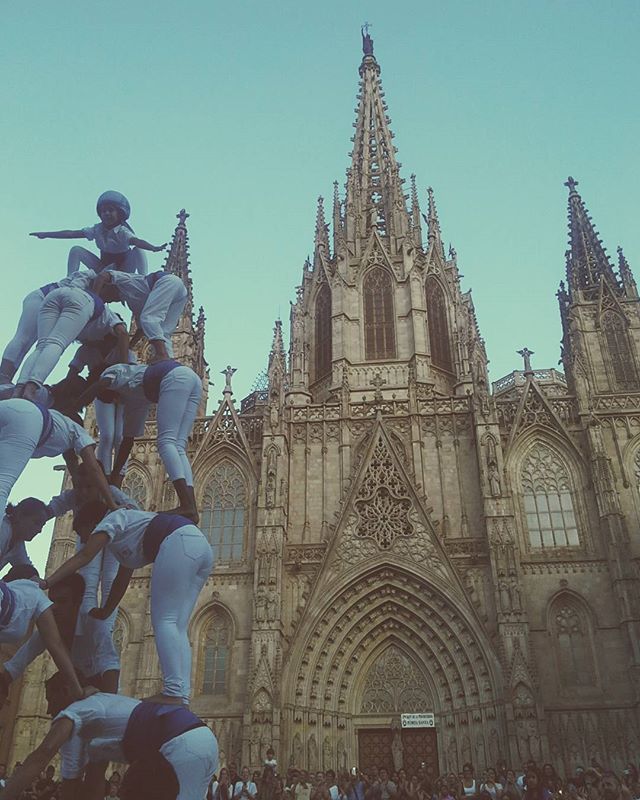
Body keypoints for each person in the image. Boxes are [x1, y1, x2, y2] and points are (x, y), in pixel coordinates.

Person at [40, 501, 213, 705]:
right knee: (178, 625)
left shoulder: (112, 521)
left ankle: (173, 691)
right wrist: (106, 610)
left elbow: (85, 556)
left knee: (164, 620)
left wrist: (47, 582)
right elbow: (122, 579)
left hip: (178, 542)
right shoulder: (124, 542)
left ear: (93, 523)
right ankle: (181, 693)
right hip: (199, 549)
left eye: (82, 533)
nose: (84, 539)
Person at [0, 672, 218, 800]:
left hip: (180, 744)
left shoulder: (75, 711)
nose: (49, 709)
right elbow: (84, 781)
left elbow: (41, 756)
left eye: (51, 699)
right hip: (202, 739)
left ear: (67, 690)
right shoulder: (102, 714)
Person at [78, 360, 201, 519]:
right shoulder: (135, 401)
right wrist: (114, 477)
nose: (115, 403)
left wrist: (75, 405)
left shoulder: (113, 372)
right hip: (192, 380)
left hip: (175, 378)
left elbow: (101, 384)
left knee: (166, 442)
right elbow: (127, 442)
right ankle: (190, 506)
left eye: (109, 399)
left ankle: (186, 504)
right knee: (178, 446)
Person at [15, 277, 129, 401]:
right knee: (56, 343)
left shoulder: (87, 343)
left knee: (42, 346)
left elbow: (71, 375)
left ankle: (19, 388)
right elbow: (123, 334)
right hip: (82, 300)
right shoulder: (111, 321)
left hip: (56, 295)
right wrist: (124, 367)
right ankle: (31, 387)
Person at [0, 398, 121, 514]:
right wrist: (112, 505)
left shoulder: (64, 442)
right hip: (27, 420)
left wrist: (79, 509)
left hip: (12, 408)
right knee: (3, 484)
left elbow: (76, 477)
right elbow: (94, 469)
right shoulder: (79, 433)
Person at [0, 571, 91, 708]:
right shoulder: (35, 599)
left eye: (61, 601)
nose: (54, 607)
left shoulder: (31, 598)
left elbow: (14, 668)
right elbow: (56, 645)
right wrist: (78, 691)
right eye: (52, 601)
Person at [30, 190, 165, 276]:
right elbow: (71, 234)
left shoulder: (122, 231)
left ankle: (143, 280)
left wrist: (153, 248)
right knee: (76, 250)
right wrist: (46, 234)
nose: (106, 213)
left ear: (119, 213)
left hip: (123, 269)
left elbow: (137, 242)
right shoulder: (97, 229)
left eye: (111, 210)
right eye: (103, 211)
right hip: (103, 267)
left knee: (138, 250)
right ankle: (70, 279)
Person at [93, 268, 187, 361]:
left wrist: (95, 299)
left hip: (167, 282)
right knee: (163, 332)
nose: (108, 301)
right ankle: (169, 362)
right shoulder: (132, 304)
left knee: (148, 318)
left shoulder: (125, 281)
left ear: (108, 286)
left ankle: (161, 354)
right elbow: (141, 330)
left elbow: (103, 275)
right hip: (180, 296)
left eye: (105, 297)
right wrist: (128, 347)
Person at [0, 498, 49, 574]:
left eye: (42, 526)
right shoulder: (2, 528)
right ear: (20, 515)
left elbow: (28, 571)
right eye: (36, 522)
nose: (39, 530)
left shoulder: (17, 544)